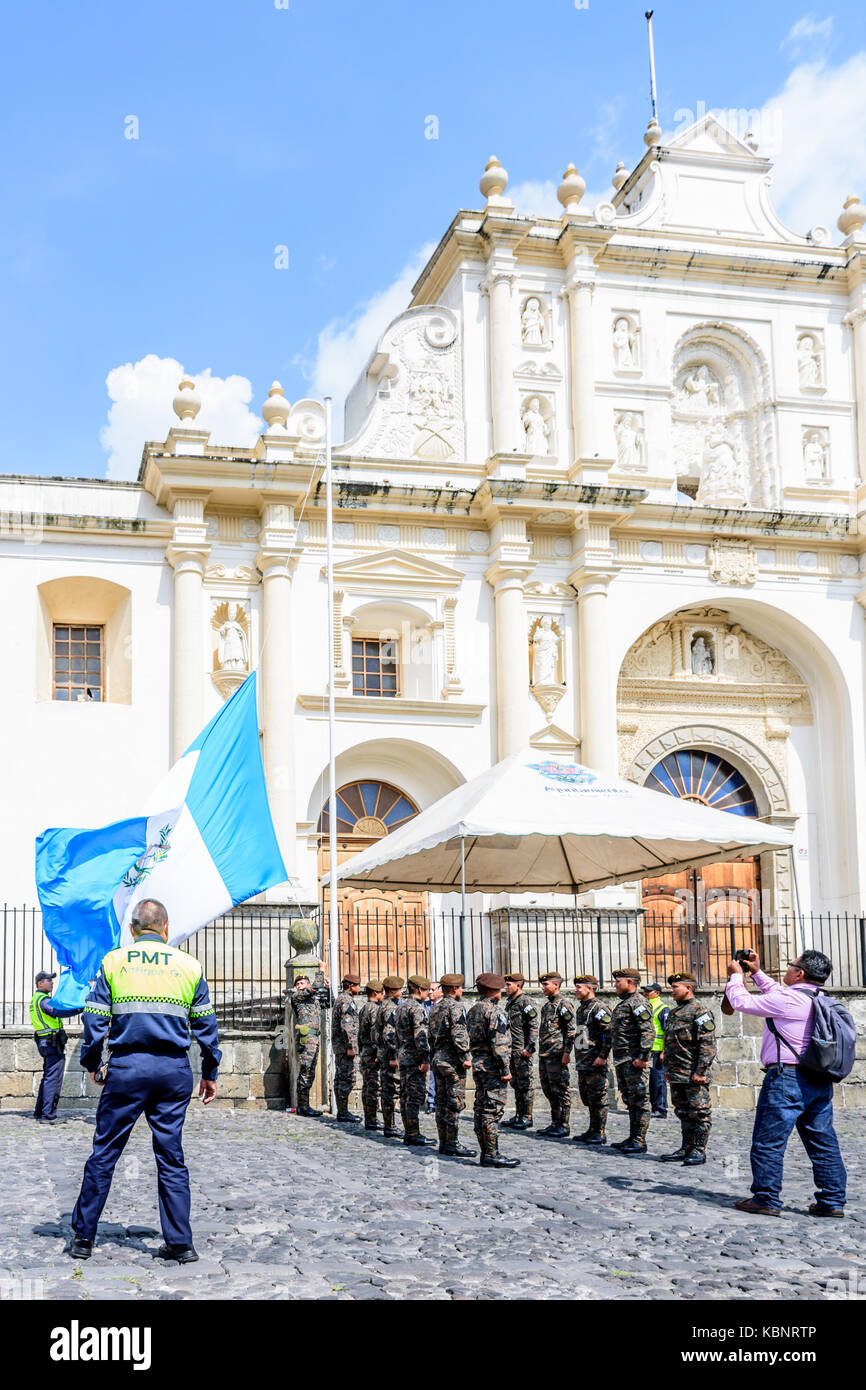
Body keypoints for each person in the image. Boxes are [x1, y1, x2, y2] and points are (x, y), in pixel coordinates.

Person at [69, 898, 220, 1263]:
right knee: (171, 1156)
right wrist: (210, 1072)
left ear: (133, 930)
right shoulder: (189, 965)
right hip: (173, 1071)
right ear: (165, 928)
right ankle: (181, 1242)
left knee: (104, 1153)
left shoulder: (115, 961)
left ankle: (83, 1239)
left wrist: (93, 1061)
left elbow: (94, 1020)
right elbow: (206, 1026)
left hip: (127, 1068)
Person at [726, 948, 847, 1217]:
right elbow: (778, 995)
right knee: (823, 1141)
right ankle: (832, 1200)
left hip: (787, 1078)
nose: (787, 969)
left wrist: (736, 977)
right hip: (818, 1077)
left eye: (791, 966)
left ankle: (766, 1198)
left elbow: (741, 1003)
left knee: (769, 1141)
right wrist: (757, 973)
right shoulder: (821, 998)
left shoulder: (790, 1001)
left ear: (799, 973)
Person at [660, 972, 716, 1165]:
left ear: (688, 988)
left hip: (693, 1073)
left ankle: (699, 1150)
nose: (671, 990)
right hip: (677, 1072)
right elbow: (670, 1043)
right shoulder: (675, 1012)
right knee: (683, 1111)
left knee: (699, 1112)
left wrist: (701, 1071)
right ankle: (687, 1147)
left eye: (675, 987)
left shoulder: (700, 1012)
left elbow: (707, 1045)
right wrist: (668, 1068)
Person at [466, 973, 519, 1168]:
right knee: (492, 1110)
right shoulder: (496, 1013)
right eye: (500, 988)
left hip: (479, 1065)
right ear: (493, 990)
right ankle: (491, 1153)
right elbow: (500, 1045)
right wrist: (505, 1069)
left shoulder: (473, 1010)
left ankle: (486, 1151)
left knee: (481, 1109)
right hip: (493, 1068)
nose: (502, 991)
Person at [601, 968, 654, 1154]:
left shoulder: (638, 1003)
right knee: (630, 1100)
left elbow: (648, 1032)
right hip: (623, 1059)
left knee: (640, 1100)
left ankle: (639, 1140)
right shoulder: (623, 1004)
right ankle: (633, 1137)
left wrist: (643, 1058)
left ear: (630, 983)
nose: (615, 985)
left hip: (634, 1060)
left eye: (618, 982)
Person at [428, 973, 475, 1157]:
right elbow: (459, 1035)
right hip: (452, 1062)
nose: (461, 990)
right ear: (455, 989)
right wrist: (464, 1056)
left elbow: (430, 1036)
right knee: (454, 1103)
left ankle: (443, 1142)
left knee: (441, 1103)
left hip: (438, 1059)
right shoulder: (456, 1008)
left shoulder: (435, 1009)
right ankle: (453, 1143)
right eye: (461, 987)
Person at [571, 974, 612, 1145]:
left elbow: (609, 1032)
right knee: (588, 1098)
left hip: (595, 1061)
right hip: (584, 1060)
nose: (576, 990)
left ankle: (600, 1132)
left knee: (598, 1098)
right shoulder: (582, 1009)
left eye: (579, 987)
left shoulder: (599, 1008)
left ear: (589, 988)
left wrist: (602, 1056)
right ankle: (592, 1129)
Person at [537, 971, 577, 1137]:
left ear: (556, 985)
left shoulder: (564, 1004)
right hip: (545, 1054)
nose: (543, 987)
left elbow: (571, 1030)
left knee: (561, 1091)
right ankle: (555, 1122)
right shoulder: (547, 1006)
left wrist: (567, 1052)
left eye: (546, 984)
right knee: (549, 1090)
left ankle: (564, 1125)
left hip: (557, 1054)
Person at [396, 974, 434, 1146]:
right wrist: (425, 1059)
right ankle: (413, 1133)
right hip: (414, 1059)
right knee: (413, 1097)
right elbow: (421, 1037)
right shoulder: (417, 1009)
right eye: (426, 990)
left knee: (405, 1095)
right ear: (419, 990)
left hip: (403, 1056)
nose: (428, 993)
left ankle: (408, 1131)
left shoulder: (402, 1007)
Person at [30, 970, 68, 1124]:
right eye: (49, 980)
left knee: (48, 1077)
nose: (52, 982)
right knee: (54, 1079)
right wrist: (79, 1008)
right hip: (52, 1044)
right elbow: (55, 1012)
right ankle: (48, 1115)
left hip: (46, 1042)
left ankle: (40, 1112)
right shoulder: (43, 1000)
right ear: (40, 983)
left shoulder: (36, 999)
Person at [502, 972, 538, 1129]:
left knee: (526, 1083)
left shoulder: (525, 1002)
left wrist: (530, 1047)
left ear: (518, 985)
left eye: (509, 984)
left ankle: (527, 1116)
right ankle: (518, 1115)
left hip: (522, 1049)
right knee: (516, 1083)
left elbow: (533, 1025)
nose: (506, 987)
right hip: (512, 1049)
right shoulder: (510, 1002)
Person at [289, 967, 326, 1116]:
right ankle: (303, 1107)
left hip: (314, 1038)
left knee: (310, 1071)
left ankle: (305, 1106)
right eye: (297, 984)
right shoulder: (297, 997)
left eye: (302, 983)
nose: (299, 986)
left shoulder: (312, 999)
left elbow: (326, 1002)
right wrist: (321, 971)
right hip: (306, 1039)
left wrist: (328, 987)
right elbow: (316, 987)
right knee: (306, 1071)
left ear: (308, 984)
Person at [375, 975, 404, 1138]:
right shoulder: (390, 1008)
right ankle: (390, 1126)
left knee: (387, 1089)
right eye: (399, 989)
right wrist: (393, 1056)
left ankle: (389, 1125)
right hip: (390, 1056)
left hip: (384, 1054)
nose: (401, 992)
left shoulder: (383, 1006)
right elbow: (389, 1034)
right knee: (391, 1091)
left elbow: (376, 1033)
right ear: (393, 991)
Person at [331, 973, 361, 1122]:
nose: (359, 988)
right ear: (350, 986)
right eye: (357, 985)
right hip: (345, 1048)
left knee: (341, 1078)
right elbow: (347, 1026)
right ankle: (343, 1112)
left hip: (340, 1047)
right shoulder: (346, 1001)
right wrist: (350, 1046)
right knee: (347, 1078)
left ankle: (342, 1111)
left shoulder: (341, 999)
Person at [641, 982, 670, 1117]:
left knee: (658, 1080)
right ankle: (654, 1106)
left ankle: (661, 1108)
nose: (646, 993)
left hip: (657, 1050)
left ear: (657, 993)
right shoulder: (646, 1006)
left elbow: (667, 1031)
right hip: (648, 1050)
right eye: (645, 991)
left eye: (649, 991)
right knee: (651, 1081)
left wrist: (664, 1051)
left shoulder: (663, 1008)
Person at [358, 980, 384, 1130]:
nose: (383, 995)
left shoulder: (364, 1008)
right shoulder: (374, 1009)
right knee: (373, 1086)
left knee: (368, 1086)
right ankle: (372, 1119)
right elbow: (375, 1034)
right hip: (372, 1052)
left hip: (366, 1051)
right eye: (381, 992)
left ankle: (370, 1118)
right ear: (375, 993)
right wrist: (378, 1053)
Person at [423, 980, 443, 1111]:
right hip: (428, 1045)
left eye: (433, 989)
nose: (430, 992)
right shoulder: (424, 1006)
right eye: (428, 989)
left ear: (441, 991)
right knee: (430, 1074)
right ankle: (431, 1102)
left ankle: (441, 1101)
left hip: (442, 1046)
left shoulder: (446, 1005)